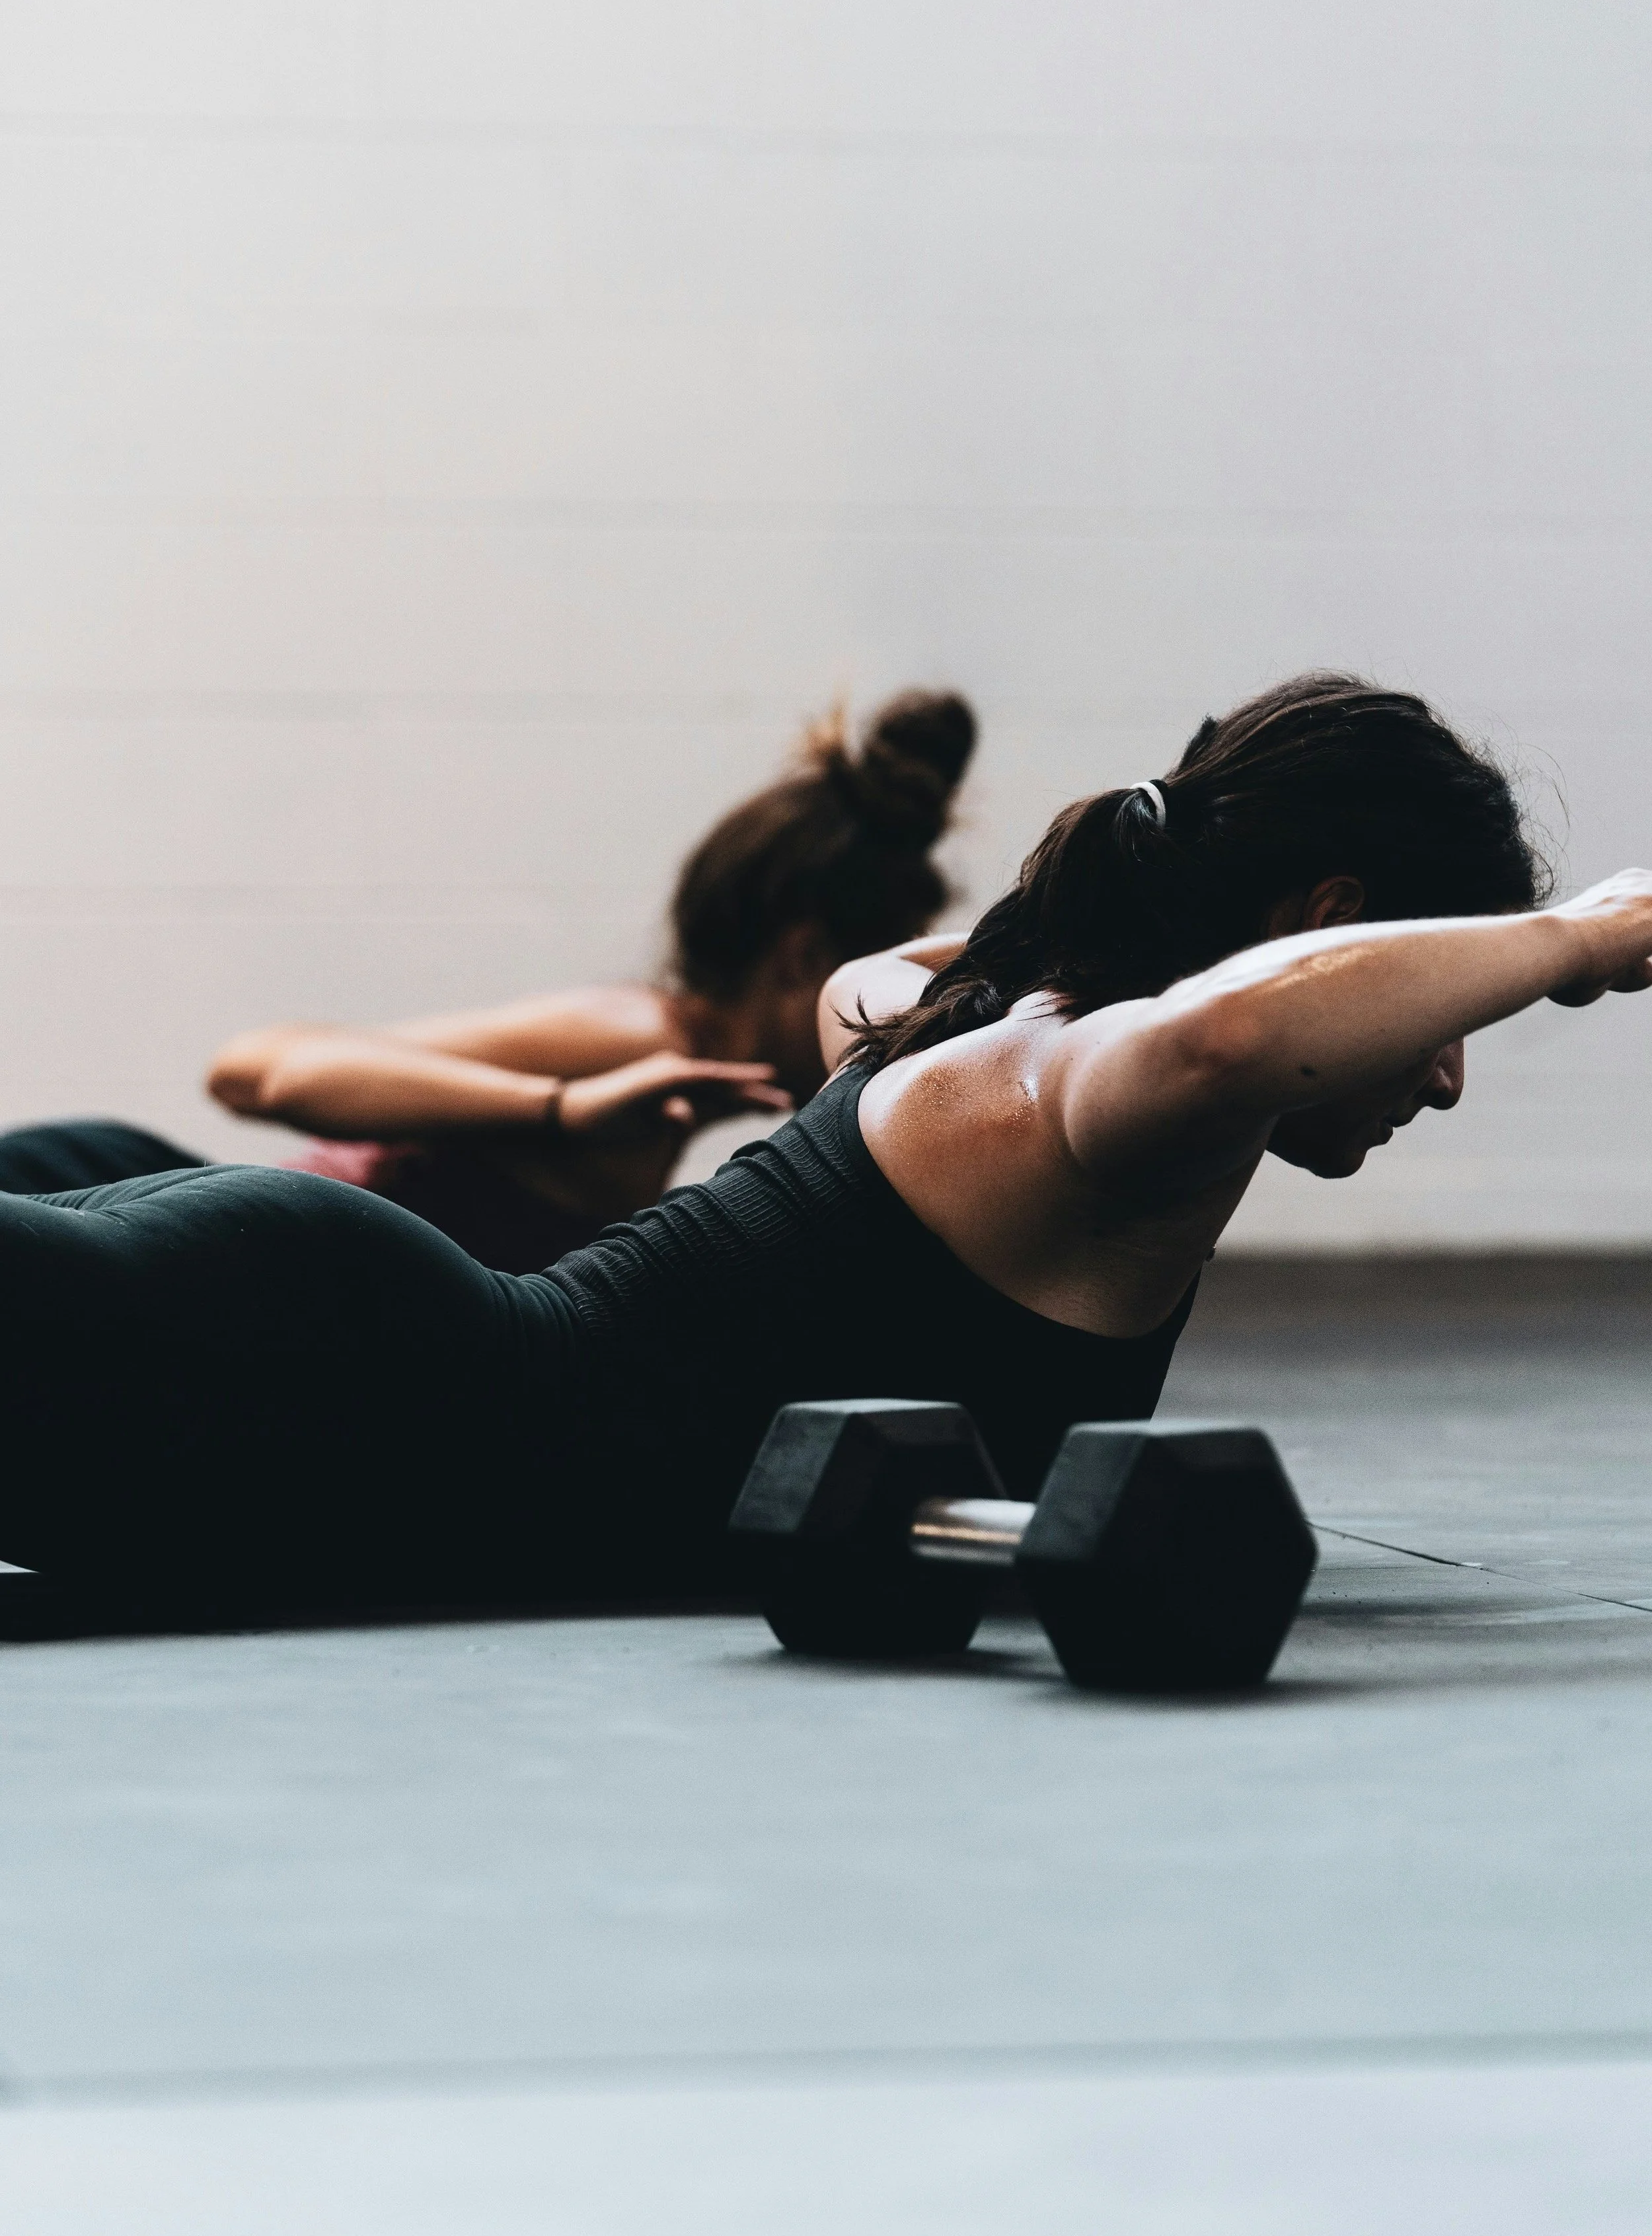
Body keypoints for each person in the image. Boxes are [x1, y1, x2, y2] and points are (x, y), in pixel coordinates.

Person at [1, 671, 1634, 1620]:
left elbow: (1059, 981)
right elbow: (1224, 1030)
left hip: (328, 1403)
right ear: (1329, 927)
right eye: (1442, 1005)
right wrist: (1578, 938)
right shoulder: (1088, 1098)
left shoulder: (929, 1013)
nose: (1439, 1073)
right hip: (337, 1390)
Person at [0, 689, 977, 1268]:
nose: (889, 1027)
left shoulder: (666, 1092)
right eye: (881, 987)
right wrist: (560, 1109)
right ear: (804, 957)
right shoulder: (637, 1040)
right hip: (128, 1215)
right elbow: (259, 1071)